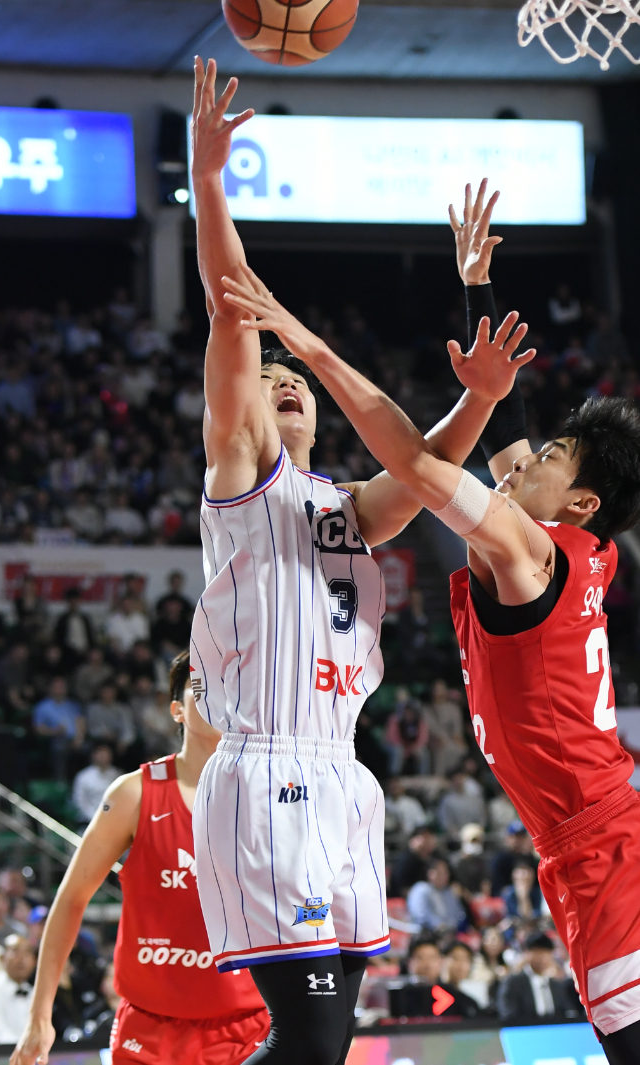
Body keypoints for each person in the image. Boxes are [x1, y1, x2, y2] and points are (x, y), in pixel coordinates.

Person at [224, 179, 640, 1060]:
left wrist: (304, 343)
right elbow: (508, 439)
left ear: (582, 500)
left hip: (605, 847)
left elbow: (413, 460)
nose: (522, 462)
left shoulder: (529, 551)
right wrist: (478, 289)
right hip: (588, 839)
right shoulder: (573, 546)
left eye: (549, 459)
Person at [189, 59, 512, 1065]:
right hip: (266, 773)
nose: (284, 387)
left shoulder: (344, 507)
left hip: (342, 778)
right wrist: (207, 182)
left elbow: (426, 471)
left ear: (320, 418)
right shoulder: (245, 480)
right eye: (270, 386)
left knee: (325, 1041)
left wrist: (482, 397)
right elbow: (234, 314)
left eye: (299, 387)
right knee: (314, 1033)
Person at [10, 651, 269, 1065]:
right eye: (200, 689)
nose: (215, 700)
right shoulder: (133, 794)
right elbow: (71, 899)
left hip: (248, 1030)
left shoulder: (272, 796)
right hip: (150, 1033)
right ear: (176, 710)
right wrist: (40, 1015)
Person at [498, 931, 581, 1024]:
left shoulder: (556, 986)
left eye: (546, 953)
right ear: (527, 953)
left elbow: (570, 1014)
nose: (542, 958)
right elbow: (509, 1016)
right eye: (537, 952)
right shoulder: (513, 983)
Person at [391, 934, 478, 1019]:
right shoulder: (397, 997)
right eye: (420, 958)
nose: (427, 965)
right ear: (409, 963)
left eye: (432, 958)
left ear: (441, 961)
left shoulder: (456, 997)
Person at [406, 858, 465, 933]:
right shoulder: (420, 889)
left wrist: (452, 926)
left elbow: (458, 913)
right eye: (439, 872)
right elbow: (420, 914)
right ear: (430, 873)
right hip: (424, 933)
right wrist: (437, 924)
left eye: (445, 872)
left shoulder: (449, 892)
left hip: (449, 933)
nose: (443, 876)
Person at [71, 743, 120, 826]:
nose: (103, 757)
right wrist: (95, 817)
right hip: (88, 820)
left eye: (106, 754)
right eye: (100, 754)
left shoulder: (117, 776)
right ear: (94, 756)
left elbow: (120, 799)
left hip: (112, 819)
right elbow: (80, 802)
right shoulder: (83, 776)